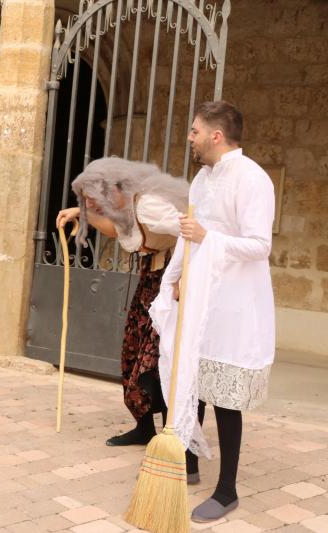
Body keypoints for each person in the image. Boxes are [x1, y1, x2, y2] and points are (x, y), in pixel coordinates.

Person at [150, 101, 275, 522]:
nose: (190, 138)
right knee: (190, 377)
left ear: (216, 136)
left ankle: (227, 490)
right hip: (200, 293)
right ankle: (186, 465)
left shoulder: (252, 179)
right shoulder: (202, 179)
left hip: (236, 301)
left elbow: (260, 245)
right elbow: (189, 235)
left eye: (194, 131)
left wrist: (209, 237)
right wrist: (175, 278)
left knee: (223, 395)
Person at [56, 157, 188, 446]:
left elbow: (192, 233)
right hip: (150, 281)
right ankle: (144, 428)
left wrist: (182, 278)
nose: (92, 204)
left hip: (170, 286)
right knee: (132, 351)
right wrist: (80, 212)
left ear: (115, 189)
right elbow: (115, 229)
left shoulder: (149, 205)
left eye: (94, 198)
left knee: (158, 360)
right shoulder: (129, 206)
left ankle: (172, 438)